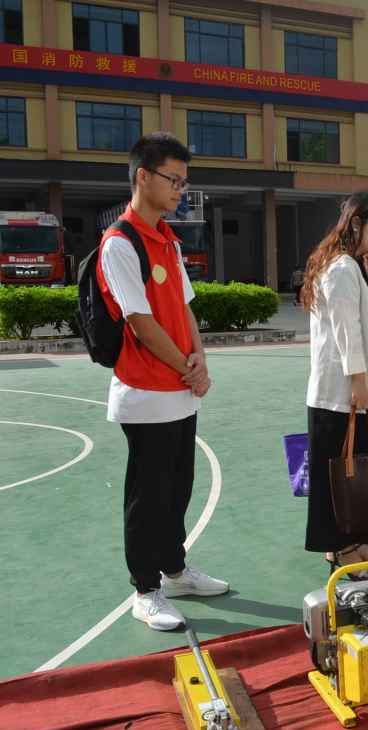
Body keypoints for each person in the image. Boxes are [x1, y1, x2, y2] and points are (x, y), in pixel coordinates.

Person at [97, 132, 226, 631]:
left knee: (180, 488)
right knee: (147, 495)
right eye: (173, 180)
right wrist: (185, 366)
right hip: (145, 393)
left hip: (180, 392)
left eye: (184, 182)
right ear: (142, 177)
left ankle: (175, 569)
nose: (180, 190)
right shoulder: (120, 243)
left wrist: (201, 363)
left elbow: (185, 309)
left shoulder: (169, 240)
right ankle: (145, 589)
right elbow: (140, 321)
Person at [302, 192, 368, 570]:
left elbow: (365, 323)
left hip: (356, 389)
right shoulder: (341, 267)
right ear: (356, 222)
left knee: (356, 468)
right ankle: (339, 545)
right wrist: (358, 381)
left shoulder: (353, 267)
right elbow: (346, 332)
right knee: (340, 470)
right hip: (340, 393)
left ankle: (354, 541)